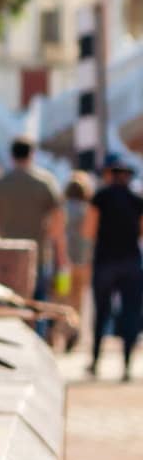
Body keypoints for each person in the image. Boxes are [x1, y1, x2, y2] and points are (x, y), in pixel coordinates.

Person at [0, 137, 67, 306]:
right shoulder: (45, 182)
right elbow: (59, 221)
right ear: (32, 155)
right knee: (37, 305)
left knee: (8, 306)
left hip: (4, 256)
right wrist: (57, 251)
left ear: (11, 155)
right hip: (38, 254)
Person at [82, 155, 143, 379]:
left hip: (105, 260)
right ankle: (126, 364)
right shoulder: (137, 200)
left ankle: (95, 361)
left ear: (110, 174)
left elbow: (88, 230)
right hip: (131, 262)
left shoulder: (100, 197)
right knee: (131, 314)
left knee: (102, 312)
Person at [59, 172, 94, 353]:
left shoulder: (62, 209)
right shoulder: (88, 210)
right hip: (83, 262)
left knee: (61, 297)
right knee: (77, 299)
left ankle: (61, 332)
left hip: (64, 263)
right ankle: (74, 331)